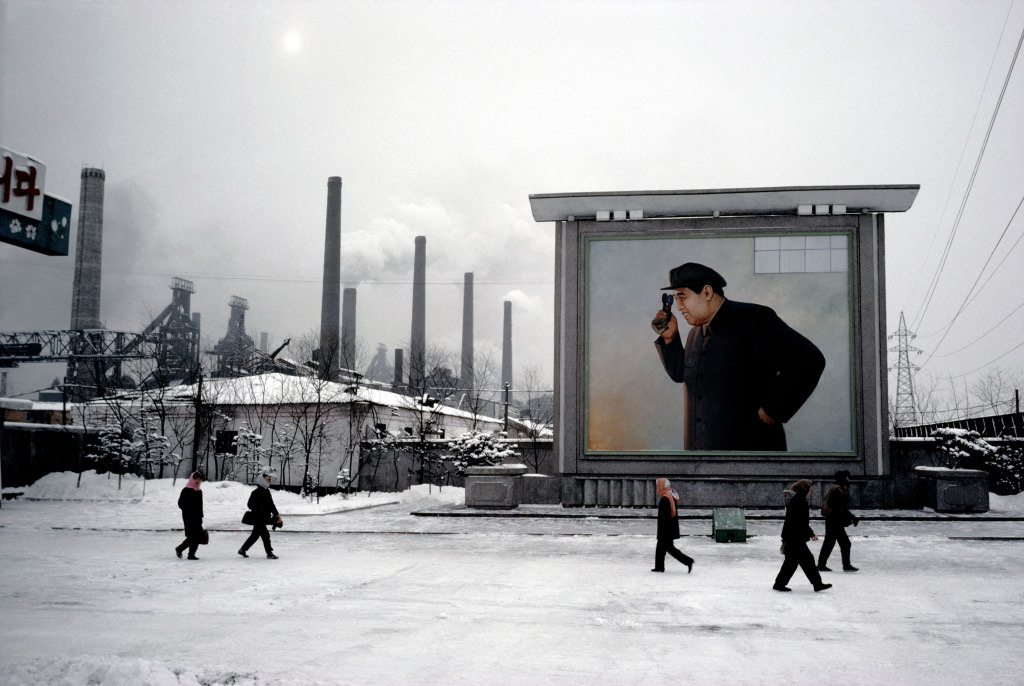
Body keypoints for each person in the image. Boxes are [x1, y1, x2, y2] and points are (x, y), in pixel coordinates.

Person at [652, 262, 826, 451]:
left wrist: (775, 408)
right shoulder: (695, 332)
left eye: (682, 297)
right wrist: (669, 338)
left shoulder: (754, 319)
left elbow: (810, 359)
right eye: (675, 298)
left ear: (707, 292)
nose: (678, 307)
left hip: (750, 452)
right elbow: (681, 374)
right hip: (700, 454)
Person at [773, 479, 831, 592]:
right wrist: (811, 534)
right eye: (810, 489)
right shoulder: (800, 502)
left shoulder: (797, 500)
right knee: (803, 561)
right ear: (805, 490)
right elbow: (801, 522)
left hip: (792, 536)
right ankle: (817, 584)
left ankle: (780, 584)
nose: (810, 491)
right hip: (795, 537)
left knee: (794, 562)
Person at [818, 470, 860, 572]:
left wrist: (850, 517)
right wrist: (852, 517)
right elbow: (838, 508)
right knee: (843, 543)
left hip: (833, 520)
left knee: (830, 543)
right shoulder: (837, 490)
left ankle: (821, 565)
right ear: (844, 478)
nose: (849, 479)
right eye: (847, 477)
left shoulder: (837, 488)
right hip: (834, 521)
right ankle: (846, 566)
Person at [651, 478, 694, 573]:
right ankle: (659, 567)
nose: (657, 487)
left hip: (666, 529)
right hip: (670, 527)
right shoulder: (671, 495)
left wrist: (662, 531)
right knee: (661, 548)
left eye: (658, 485)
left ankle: (688, 561)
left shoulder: (665, 498)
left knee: (669, 548)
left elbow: (664, 517)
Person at [238, 470, 282, 559]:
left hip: (264, 517)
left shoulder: (267, 491)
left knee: (255, 535)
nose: (268, 481)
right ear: (261, 480)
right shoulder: (255, 492)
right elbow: (249, 504)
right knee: (265, 535)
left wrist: (276, 514)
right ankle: (269, 553)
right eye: (266, 479)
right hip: (258, 518)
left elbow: (271, 505)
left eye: (268, 479)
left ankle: (243, 549)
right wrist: (259, 507)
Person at [174, 471, 204, 560]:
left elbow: (200, 505)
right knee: (192, 536)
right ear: (192, 479)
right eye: (195, 479)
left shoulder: (199, 491)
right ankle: (179, 548)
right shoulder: (186, 490)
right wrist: (189, 510)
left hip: (197, 517)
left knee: (198, 536)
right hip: (189, 517)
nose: (197, 481)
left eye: (199, 479)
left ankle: (191, 554)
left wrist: (201, 516)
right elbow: (180, 504)